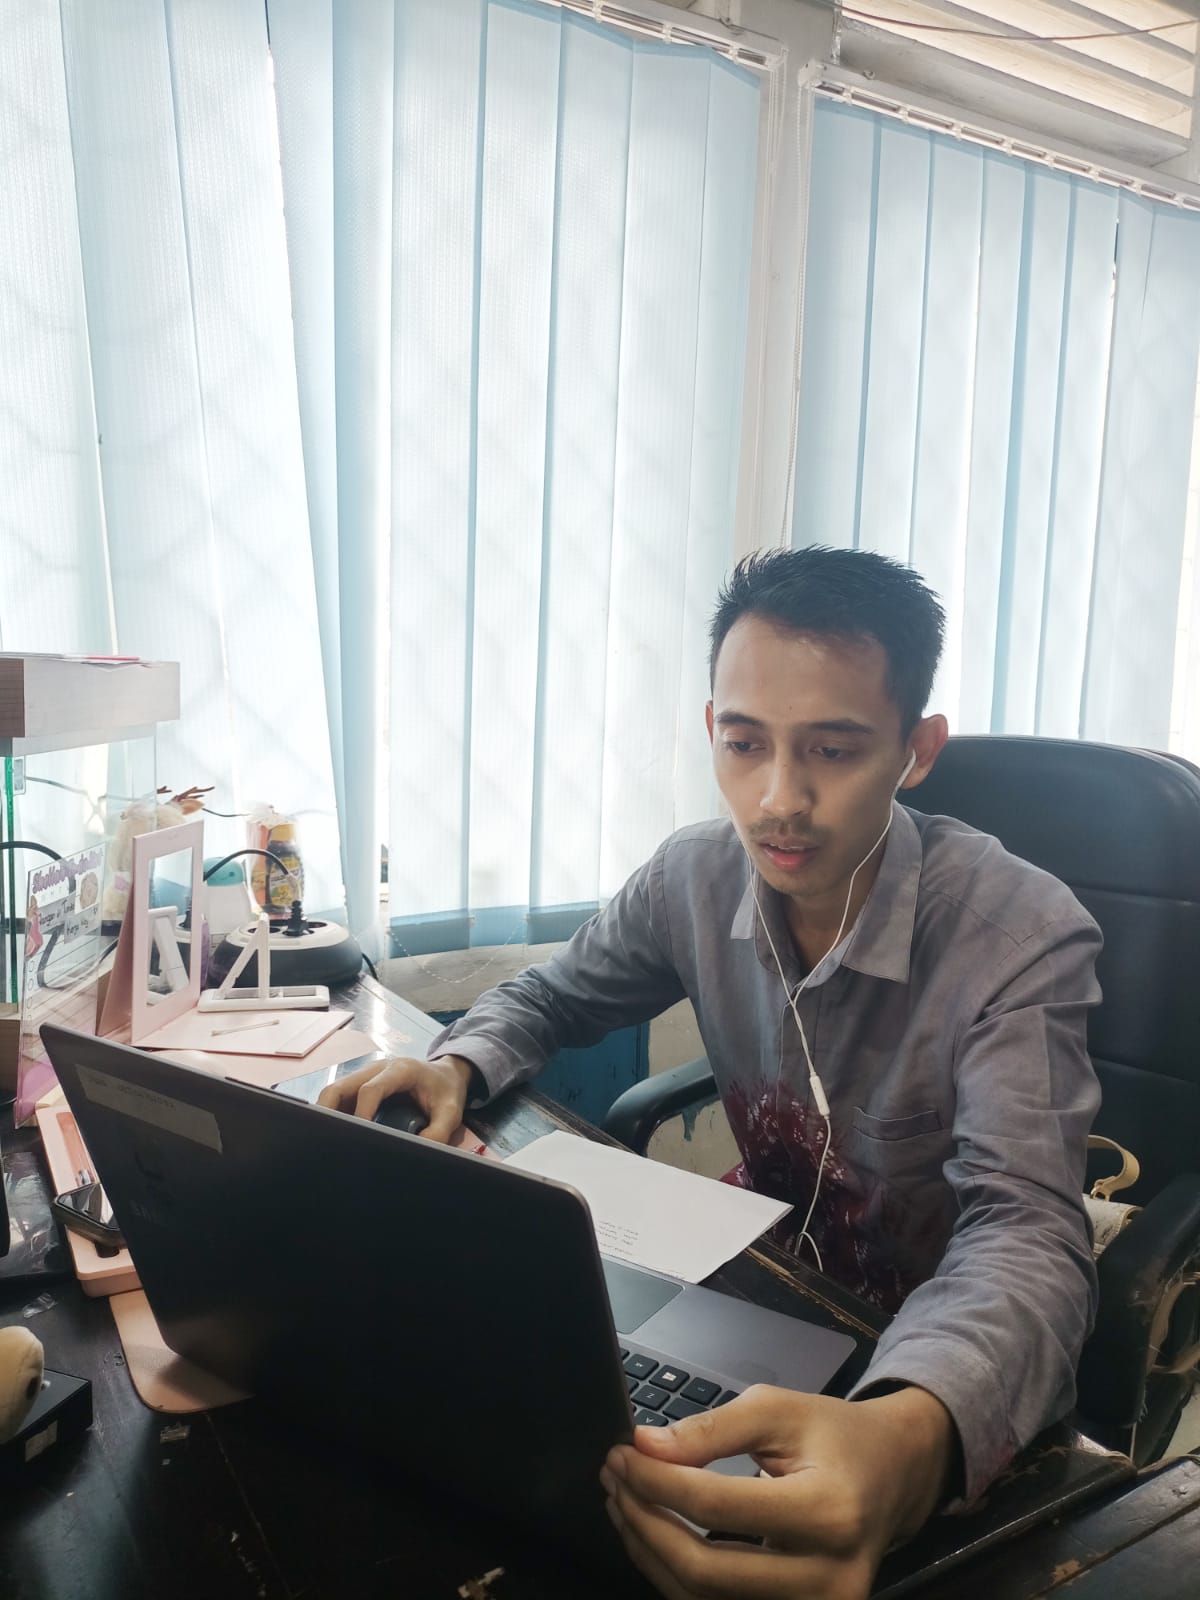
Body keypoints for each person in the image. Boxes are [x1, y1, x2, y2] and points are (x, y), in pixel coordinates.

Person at [321, 546, 1102, 1599]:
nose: (779, 800)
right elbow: (551, 996)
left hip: (926, 1343)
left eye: (833, 749)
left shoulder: (1019, 936)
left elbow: (1028, 1232)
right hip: (764, 1288)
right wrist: (457, 1060)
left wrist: (910, 1437)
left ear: (916, 751)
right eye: (744, 743)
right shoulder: (692, 875)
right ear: (711, 730)